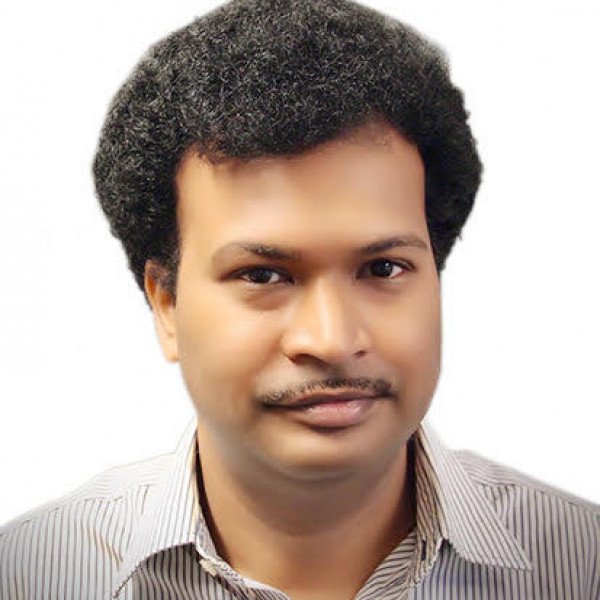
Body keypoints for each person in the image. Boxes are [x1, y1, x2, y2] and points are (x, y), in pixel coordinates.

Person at [1, 0, 598, 598]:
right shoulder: (28, 574)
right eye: (263, 276)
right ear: (166, 305)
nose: (332, 340)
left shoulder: (580, 566)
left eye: (383, 268)